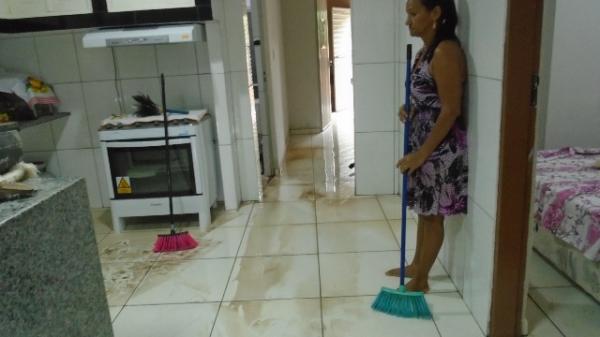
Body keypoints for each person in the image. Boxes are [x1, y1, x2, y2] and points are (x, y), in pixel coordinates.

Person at [385, 0, 468, 293]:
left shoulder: (446, 51)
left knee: (433, 216)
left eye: (413, 13)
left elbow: (450, 110)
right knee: (423, 210)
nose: (408, 22)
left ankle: (421, 280)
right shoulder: (424, 52)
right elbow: (428, 97)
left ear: (435, 14)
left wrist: (422, 154)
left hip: (440, 151)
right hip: (424, 145)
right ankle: (416, 266)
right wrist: (408, 108)